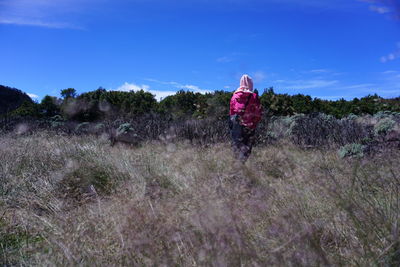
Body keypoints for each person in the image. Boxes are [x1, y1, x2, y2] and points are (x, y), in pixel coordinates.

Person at [229, 74, 263, 162]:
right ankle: (241, 166)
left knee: (237, 147)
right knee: (247, 148)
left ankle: (236, 168)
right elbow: (258, 112)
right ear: (251, 84)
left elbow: (232, 112)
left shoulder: (235, 96)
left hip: (237, 125)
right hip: (250, 126)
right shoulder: (254, 96)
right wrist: (254, 123)